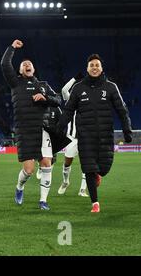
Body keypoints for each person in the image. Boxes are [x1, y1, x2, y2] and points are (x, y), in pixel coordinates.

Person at [57, 54, 132, 213]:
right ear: (87, 68)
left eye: (97, 65)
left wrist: (127, 130)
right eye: (91, 65)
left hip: (105, 136)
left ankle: (98, 175)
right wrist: (59, 128)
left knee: (103, 169)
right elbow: (68, 111)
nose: (94, 67)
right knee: (89, 169)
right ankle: (95, 203)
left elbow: (122, 110)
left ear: (101, 68)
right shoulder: (78, 88)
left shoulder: (111, 87)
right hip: (85, 137)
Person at [1, 40, 63, 210]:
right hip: (25, 131)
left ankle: (43, 201)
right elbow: (5, 64)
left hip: (43, 130)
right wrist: (12, 47)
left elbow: (58, 100)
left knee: (47, 164)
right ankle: (19, 188)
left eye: (29, 64)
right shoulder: (15, 83)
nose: (27, 65)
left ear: (34, 69)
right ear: (20, 71)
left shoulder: (43, 85)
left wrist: (46, 98)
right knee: (28, 170)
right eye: (23, 64)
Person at [57, 73, 88, 197]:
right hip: (71, 138)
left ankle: (82, 190)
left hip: (85, 138)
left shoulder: (89, 104)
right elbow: (64, 90)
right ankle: (65, 182)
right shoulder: (71, 101)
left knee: (86, 164)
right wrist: (74, 78)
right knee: (67, 163)